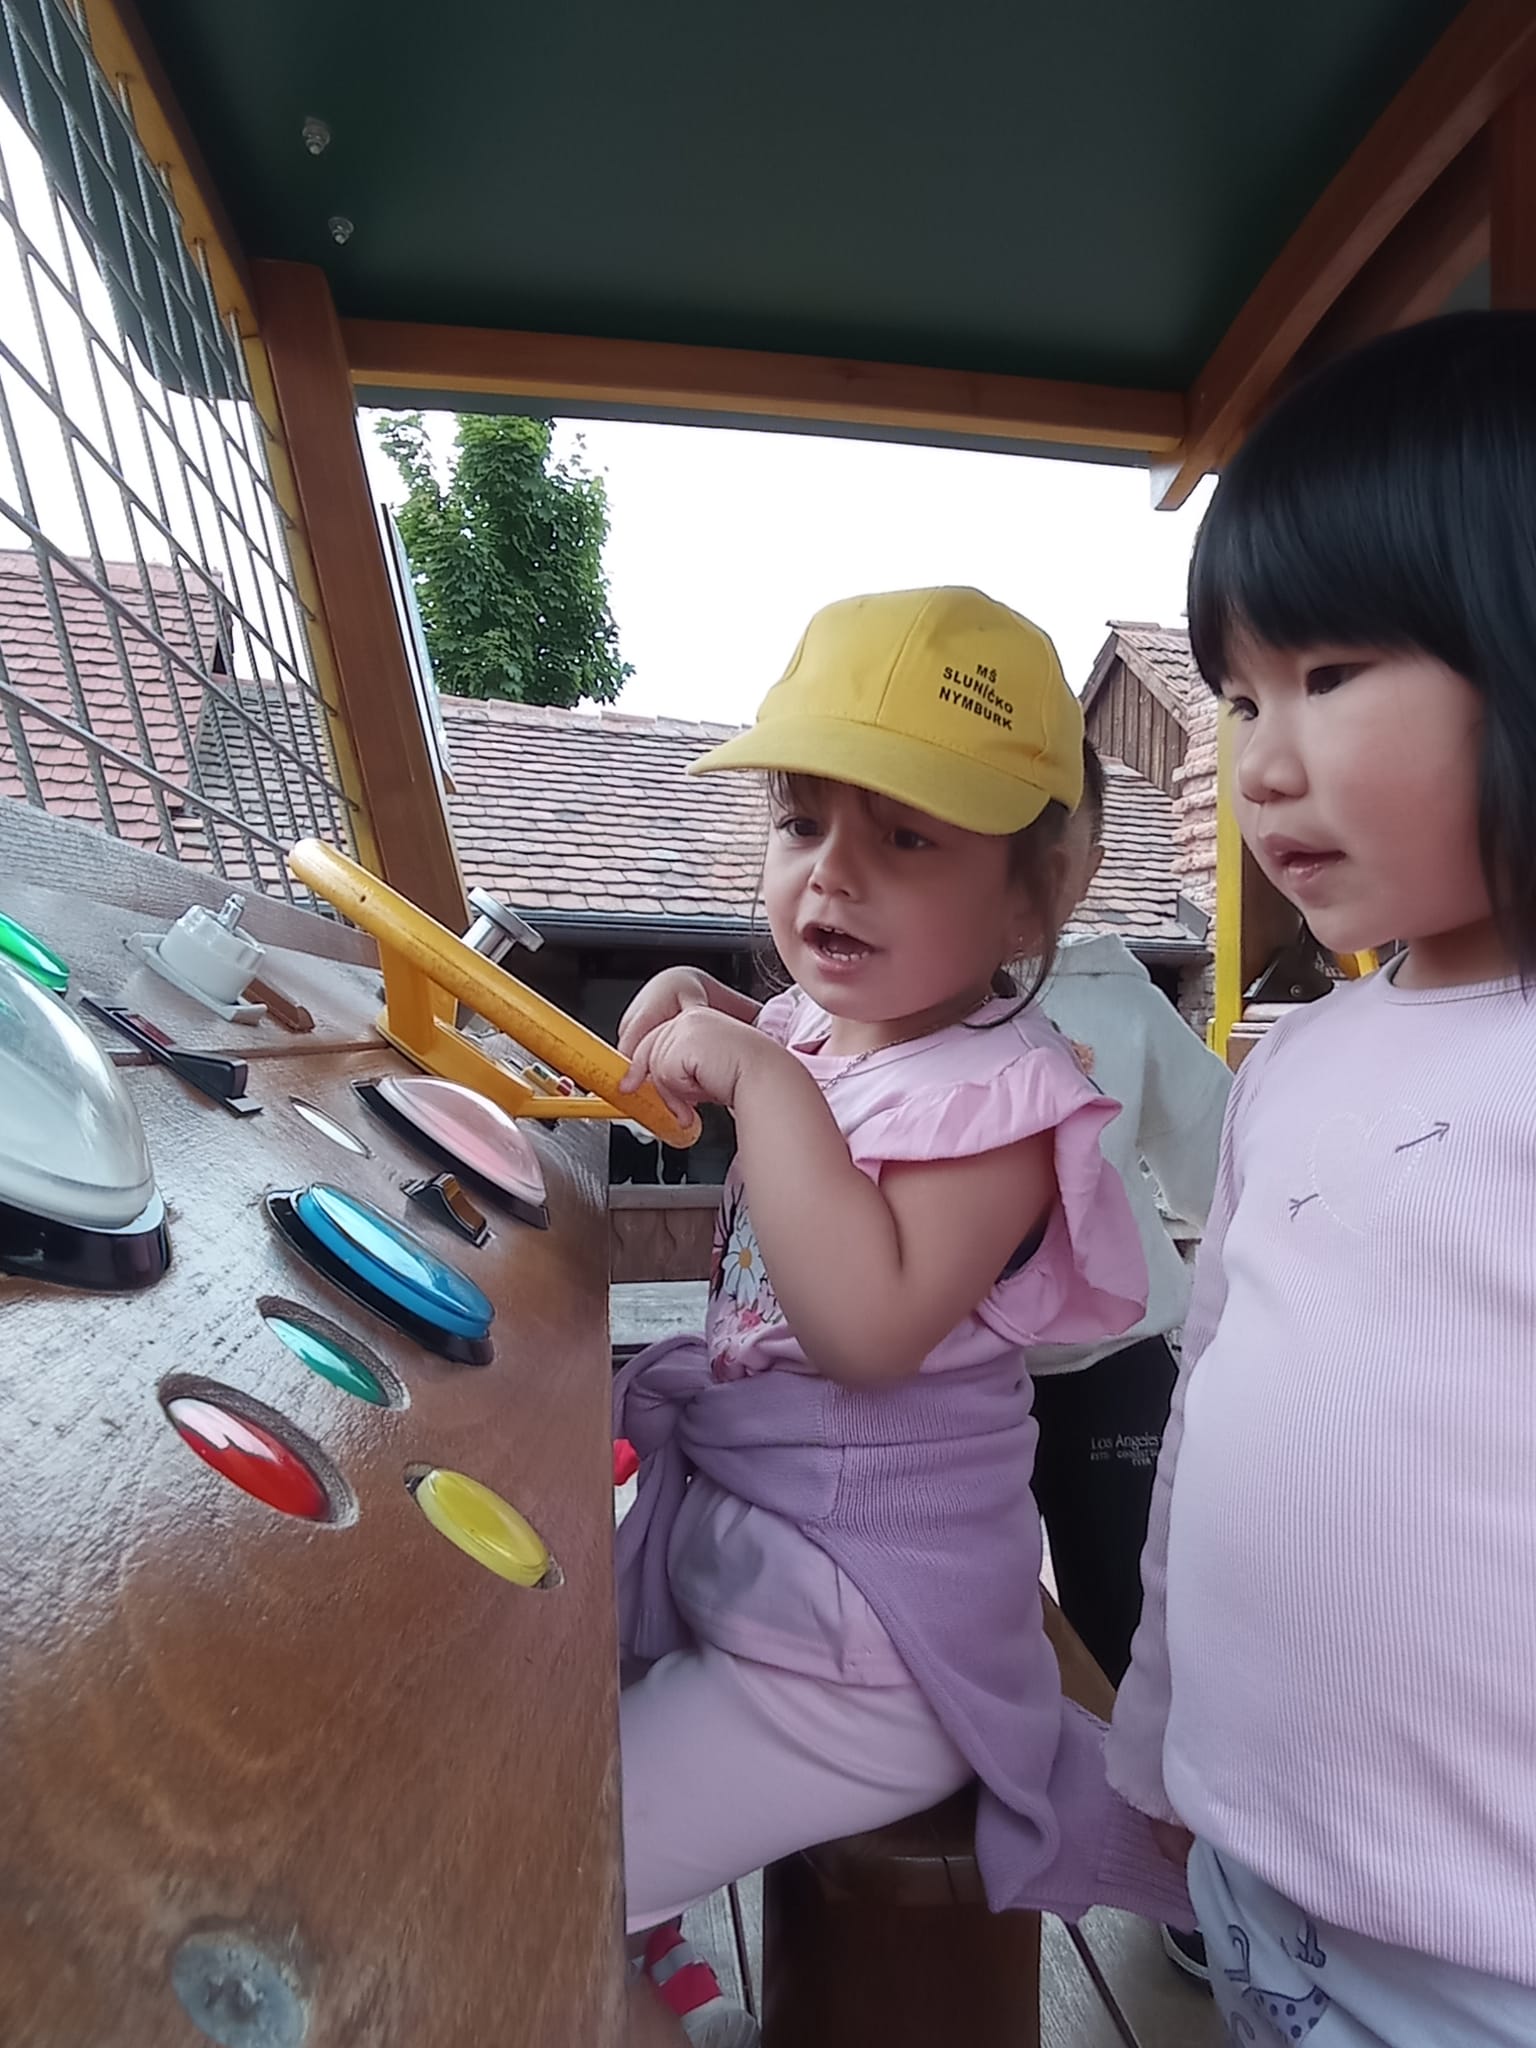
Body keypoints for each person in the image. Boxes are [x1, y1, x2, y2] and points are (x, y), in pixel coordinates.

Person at [612, 587, 1193, 2045]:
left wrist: (758, 1079)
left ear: (1031, 898)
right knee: (530, 1728)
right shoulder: (826, 1029)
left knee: (544, 1846)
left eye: (907, 837)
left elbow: (866, 1327)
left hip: (867, 1655)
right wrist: (712, 1009)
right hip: (775, 1573)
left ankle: (606, 1967)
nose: (833, 873)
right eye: (802, 821)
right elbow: (797, 1066)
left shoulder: (1006, 1104)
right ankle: (647, 1961)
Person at [1107, 311, 1536, 2046]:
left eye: (1333, 673)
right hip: (1257, 1863)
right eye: (1238, 695)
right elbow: (1210, 1401)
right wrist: (1156, 1724)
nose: (1260, 761)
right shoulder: (1291, 1064)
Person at [1032, 739, 1231, 1694]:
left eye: (1046, 854)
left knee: (1128, 1616)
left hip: (1111, 1362)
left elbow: (1219, 1153)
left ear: (1086, 868)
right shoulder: (895, 995)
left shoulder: (1114, 995)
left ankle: (1128, 1774)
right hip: (949, 1376)